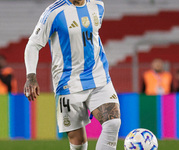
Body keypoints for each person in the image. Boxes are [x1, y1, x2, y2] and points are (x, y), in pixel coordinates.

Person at [24, 0, 121, 150]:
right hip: (68, 83)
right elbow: (33, 44)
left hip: (99, 76)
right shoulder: (54, 12)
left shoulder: (98, 6)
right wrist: (31, 77)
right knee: (79, 143)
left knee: (113, 123)